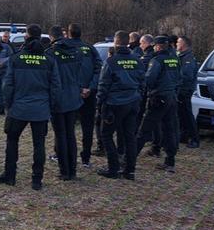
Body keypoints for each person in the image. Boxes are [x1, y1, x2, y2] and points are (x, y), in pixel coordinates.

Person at [0, 24, 61, 191]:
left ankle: (9, 176)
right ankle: (36, 180)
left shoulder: (16, 59)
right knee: (39, 144)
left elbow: (8, 85)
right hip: (40, 109)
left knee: (12, 141)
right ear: (40, 38)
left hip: (18, 108)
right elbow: (55, 87)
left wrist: (8, 105)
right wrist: (50, 106)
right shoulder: (49, 61)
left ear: (26, 36)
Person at [96, 30, 143, 179]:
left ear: (116, 43)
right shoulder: (137, 60)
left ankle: (113, 168)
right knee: (129, 136)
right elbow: (143, 82)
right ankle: (130, 170)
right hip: (133, 102)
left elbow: (103, 85)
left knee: (106, 134)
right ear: (127, 43)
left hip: (114, 104)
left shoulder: (111, 62)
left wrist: (99, 103)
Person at [135, 36, 181, 172]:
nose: (154, 48)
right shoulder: (175, 59)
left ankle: (128, 160)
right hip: (171, 97)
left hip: (159, 98)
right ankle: (170, 161)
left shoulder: (157, 60)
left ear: (159, 46)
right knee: (169, 130)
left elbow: (149, 79)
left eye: (155, 46)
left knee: (144, 130)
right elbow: (180, 78)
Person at [46, 26, 84, 181]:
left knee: (60, 135)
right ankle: (73, 170)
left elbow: (49, 78)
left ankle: (64, 171)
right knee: (71, 134)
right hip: (74, 97)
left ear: (51, 37)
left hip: (58, 99)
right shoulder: (76, 51)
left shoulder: (50, 53)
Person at [67, 23, 103, 168]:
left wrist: (79, 89)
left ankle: (67, 156)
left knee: (68, 127)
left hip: (72, 95)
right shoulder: (90, 48)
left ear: (69, 34)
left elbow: (65, 73)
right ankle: (85, 158)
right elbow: (98, 68)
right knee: (87, 127)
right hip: (89, 94)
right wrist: (90, 87)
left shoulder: (65, 48)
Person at [177, 36, 200, 148]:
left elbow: (187, 76)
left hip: (185, 90)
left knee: (187, 115)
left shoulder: (188, 59)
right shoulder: (182, 56)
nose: (176, 44)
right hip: (182, 90)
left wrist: (180, 88)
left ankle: (195, 139)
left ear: (183, 44)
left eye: (178, 42)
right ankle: (184, 136)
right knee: (182, 115)